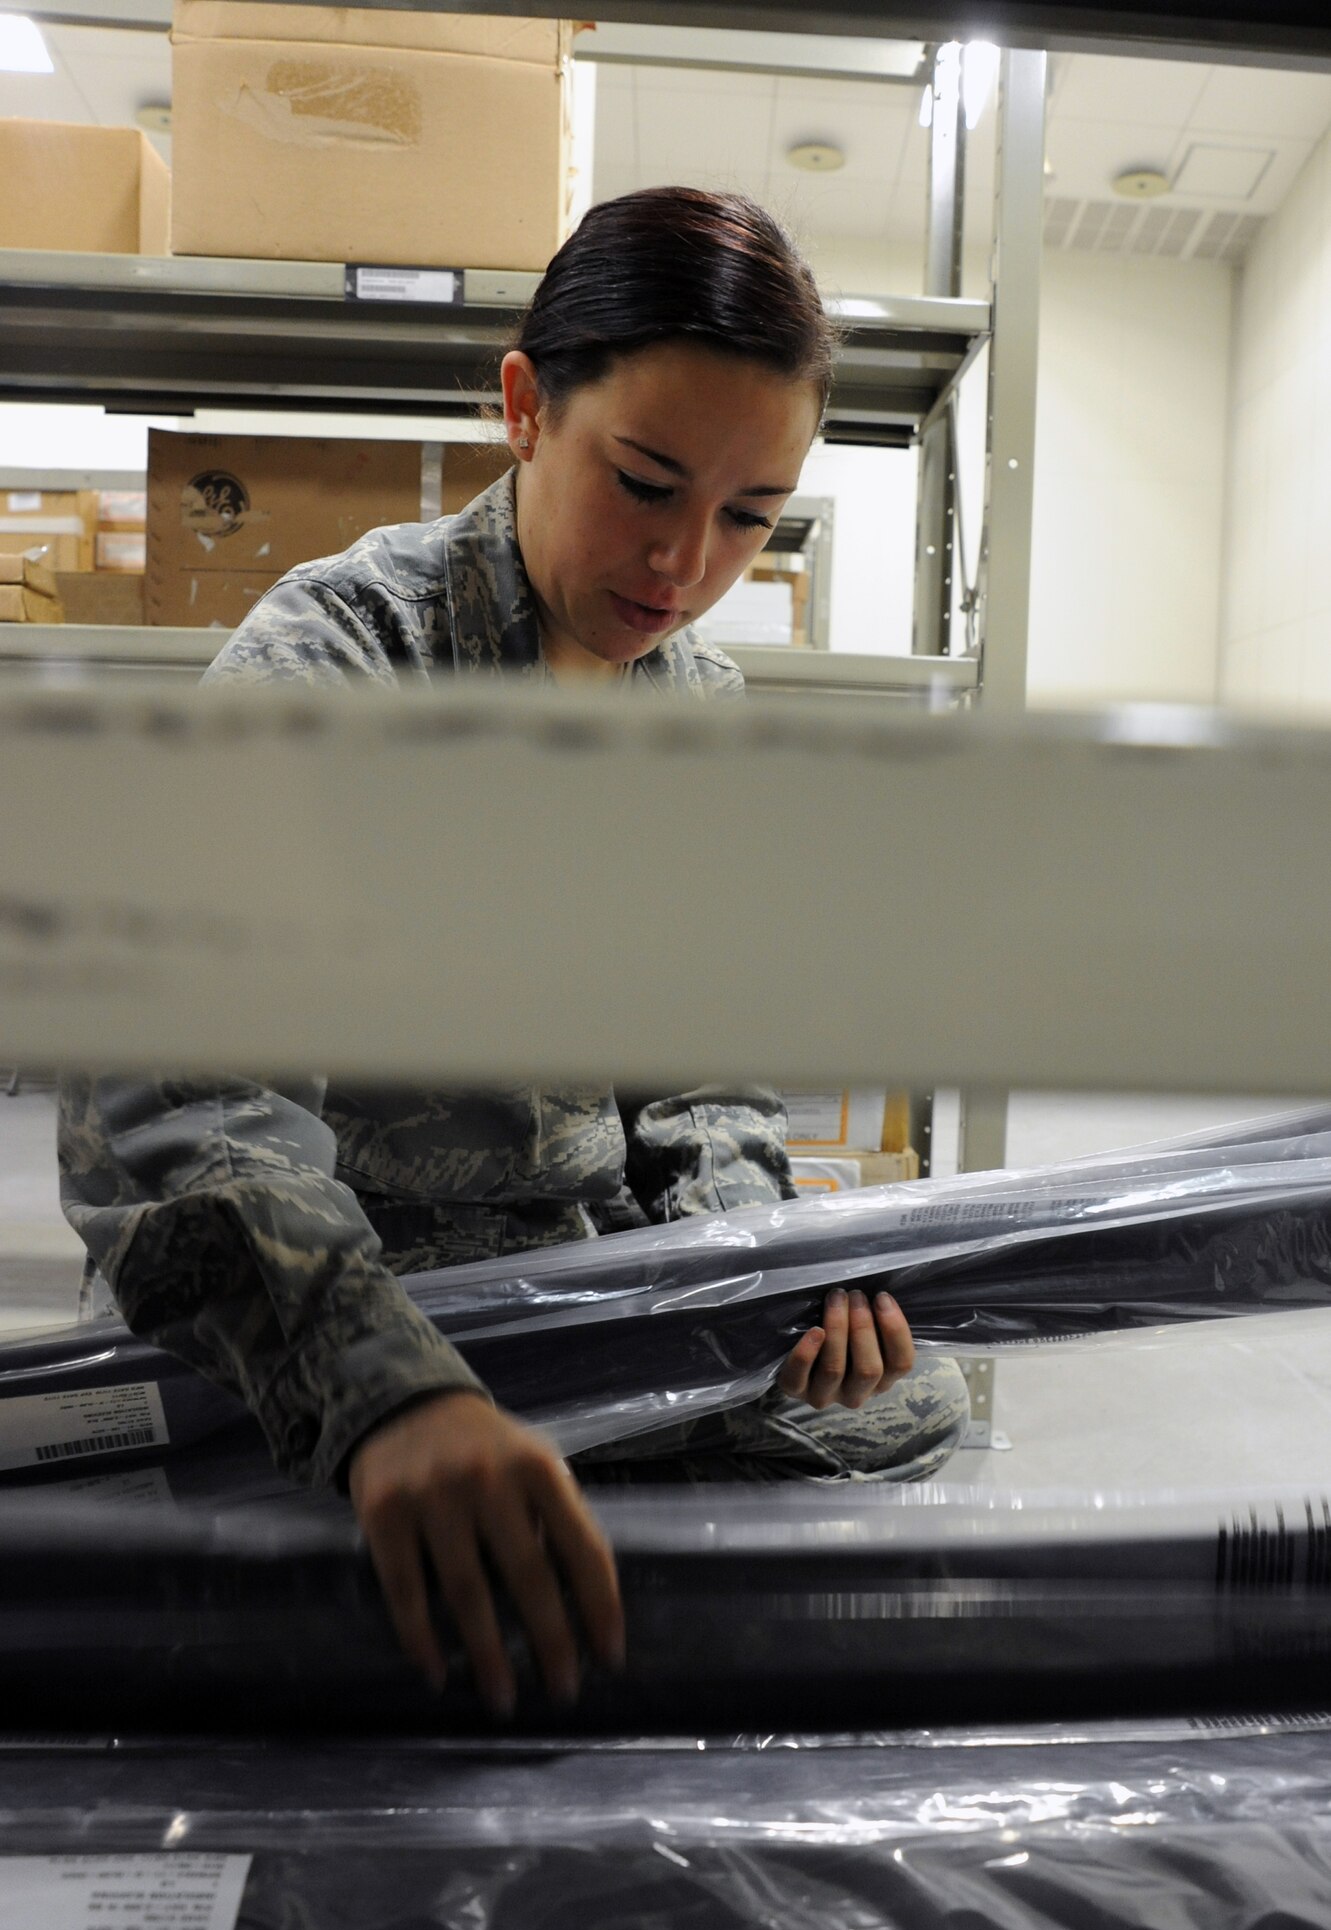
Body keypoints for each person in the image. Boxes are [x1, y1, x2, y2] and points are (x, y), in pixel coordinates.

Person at [58, 187, 969, 1719]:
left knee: (901, 1400)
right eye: (647, 482)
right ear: (525, 406)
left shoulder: (698, 711)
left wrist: (775, 1273)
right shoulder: (334, 662)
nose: (684, 563)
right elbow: (181, 1102)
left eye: (750, 516)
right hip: (356, 1281)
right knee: (215, 1505)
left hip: (581, 1293)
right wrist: (383, 1392)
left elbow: (706, 1074)